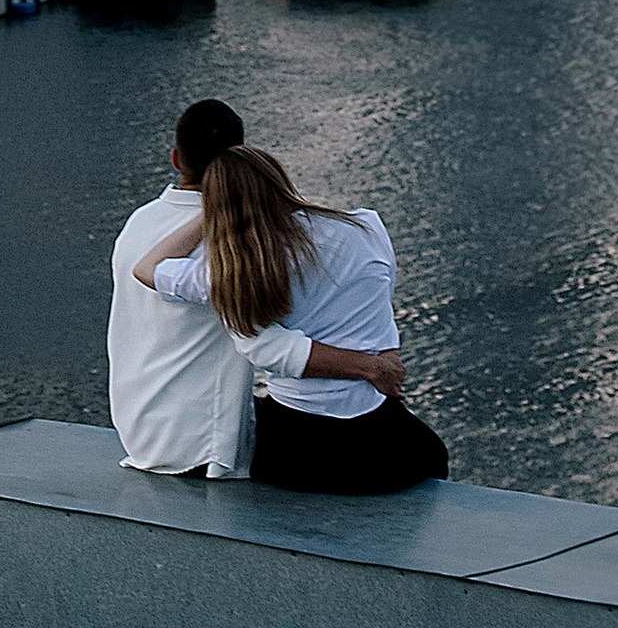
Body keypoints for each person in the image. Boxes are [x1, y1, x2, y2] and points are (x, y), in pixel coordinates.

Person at [109, 99, 408, 478]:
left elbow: (146, 274)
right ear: (245, 154)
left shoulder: (140, 222)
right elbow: (265, 345)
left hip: (140, 428)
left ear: (175, 158)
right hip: (205, 448)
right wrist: (372, 366)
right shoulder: (235, 244)